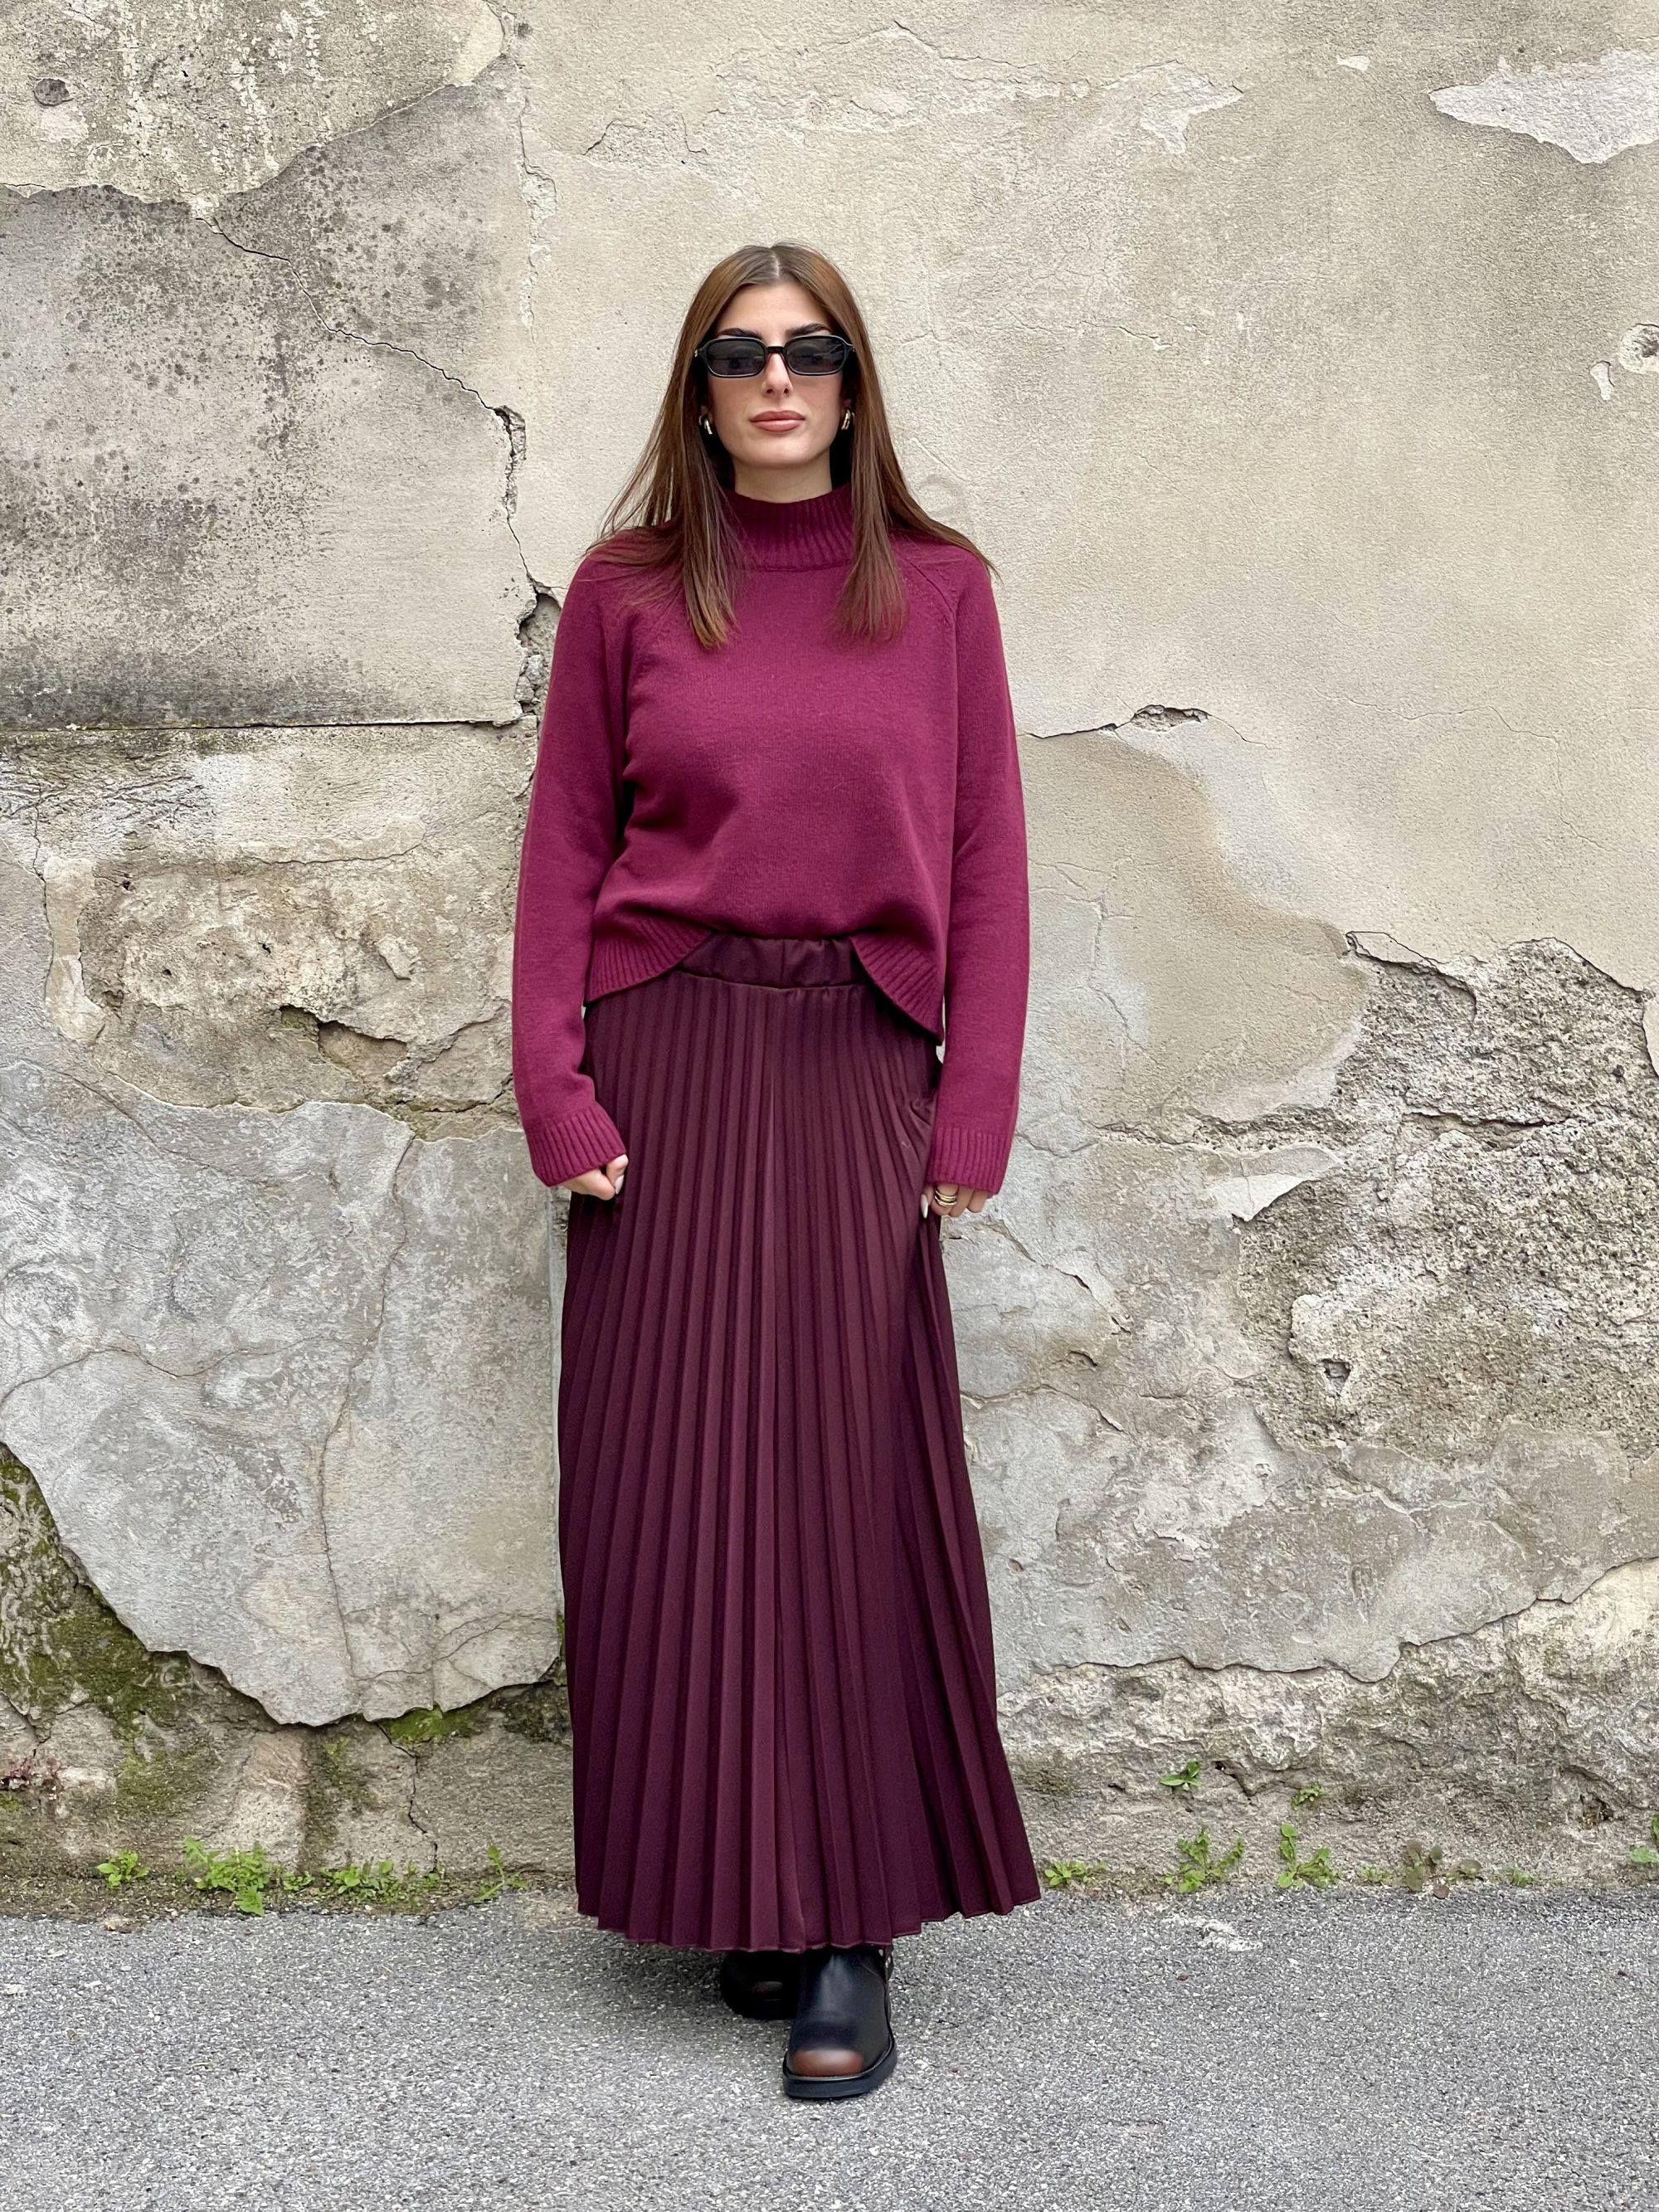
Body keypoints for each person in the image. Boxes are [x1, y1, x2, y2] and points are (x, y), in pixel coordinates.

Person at [510, 240, 1042, 2102]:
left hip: (853, 1067)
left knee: (838, 1495)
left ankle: (847, 1929)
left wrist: (970, 1105)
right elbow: (563, 851)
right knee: (667, 1499)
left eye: (811, 351)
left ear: (855, 381)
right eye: (740, 356)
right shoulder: (628, 591)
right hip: (663, 1061)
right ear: (701, 391)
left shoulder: (943, 592)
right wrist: (556, 1091)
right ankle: (742, 1887)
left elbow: (985, 862)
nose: (779, 380)